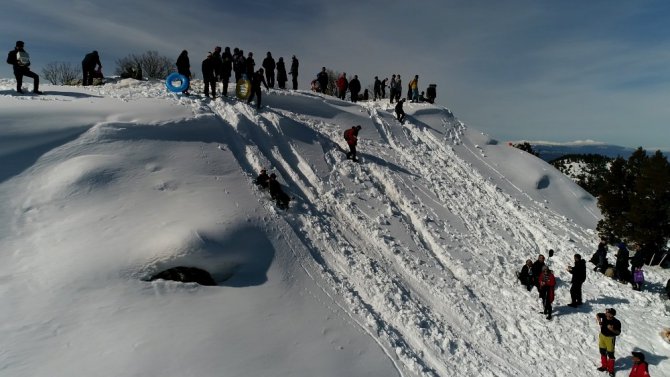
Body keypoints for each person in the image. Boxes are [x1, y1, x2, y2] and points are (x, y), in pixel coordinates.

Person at [596, 308, 622, 376]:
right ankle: (604, 366)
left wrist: (612, 329)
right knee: (602, 351)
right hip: (602, 336)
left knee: (610, 354)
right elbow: (598, 314)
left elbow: (618, 332)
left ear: (612, 315)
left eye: (608, 313)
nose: (606, 314)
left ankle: (611, 370)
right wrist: (599, 321)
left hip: (610, 339)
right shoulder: (604, 316)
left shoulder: (616, 322)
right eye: (606, 312)